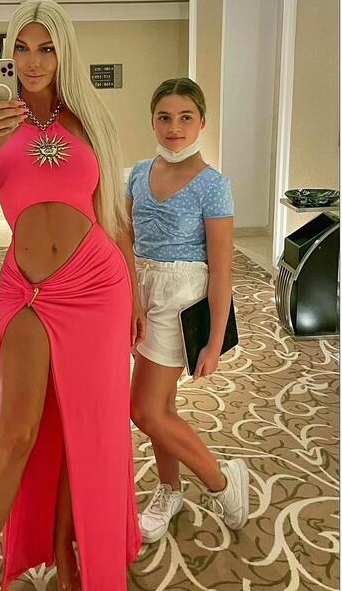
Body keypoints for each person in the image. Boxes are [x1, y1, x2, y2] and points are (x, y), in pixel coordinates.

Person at [0, 0, 143, 591]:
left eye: (47, 48)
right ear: (9, 53)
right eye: (22, 48)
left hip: (99, 285)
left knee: (86, 427)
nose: (33, 62)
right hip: (28, 290)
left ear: (64, 53)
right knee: (16, 433)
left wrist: (134, 294)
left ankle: (66, 548)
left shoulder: (89, 118)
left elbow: (115, 216)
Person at [127, 77, 249, 544]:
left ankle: (220, 481)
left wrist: (215, 341)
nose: (174, 127)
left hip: (180, 299)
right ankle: (169, 488)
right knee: (162, 405)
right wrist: (131, 298)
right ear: (152, 121)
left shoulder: (213, 186)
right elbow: (125, 239)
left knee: (144, 410)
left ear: (202, 122)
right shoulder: (138, 173)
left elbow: (221, 269)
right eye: (164, 117)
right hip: (141, 291)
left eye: (185, 117)